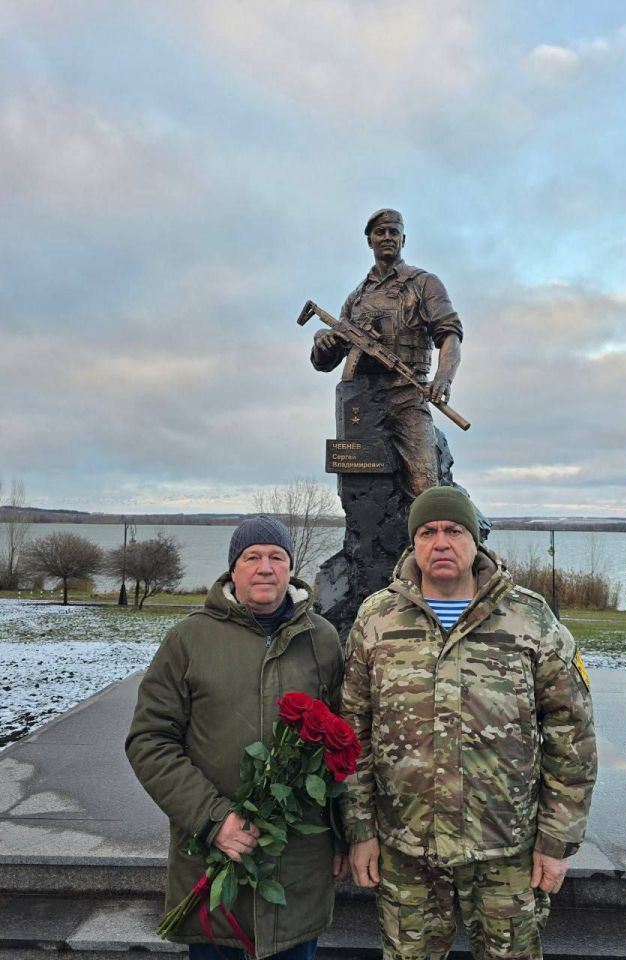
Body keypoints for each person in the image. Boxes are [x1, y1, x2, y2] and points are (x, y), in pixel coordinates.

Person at [340, 486, 597, 960]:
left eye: (454, 530)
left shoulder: (529, 617)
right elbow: (353, 731)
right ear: (413, 543)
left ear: (474, 539)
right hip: (406, 846)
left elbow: (571, 734)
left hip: (506, 850)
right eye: (427, 532)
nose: (441, 542)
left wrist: (557, 842)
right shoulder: (377, 618)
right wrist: (360, 831)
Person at [125, 516, 346, 960]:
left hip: (296, 867)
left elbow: (342, 745)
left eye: (276, 557)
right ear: (233, 569)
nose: (265, 567)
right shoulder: (188, 639)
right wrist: (214, 820)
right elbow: (149, 740)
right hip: (212, 859)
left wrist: (341, 833)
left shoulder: (322, 639)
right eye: (253, 557)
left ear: (290, 567)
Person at [311, 208, 463, 499]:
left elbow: (450, 334)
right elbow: (325, 363)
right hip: (361, 403)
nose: (387, 237)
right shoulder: (356, 299)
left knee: (426, 489)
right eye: (380, 232)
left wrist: (444, 377)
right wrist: (323, 343)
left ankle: (430, 538)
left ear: (404, 239)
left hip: (407, 395)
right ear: (369, 241)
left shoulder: (423, 283)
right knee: (360, 494)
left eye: (394, 231)